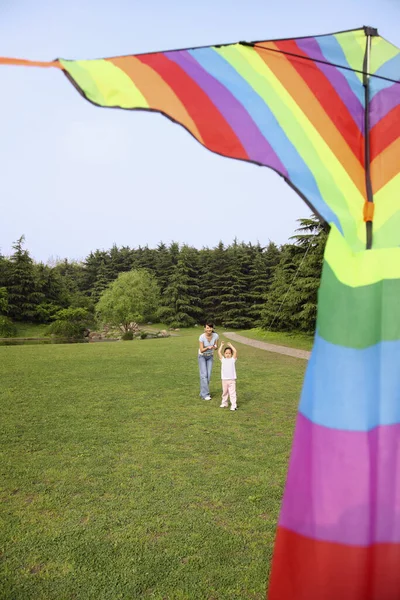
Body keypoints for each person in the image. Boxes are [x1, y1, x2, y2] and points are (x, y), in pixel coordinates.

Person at [198, 322, 219, 400]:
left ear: (212, 328)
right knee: (204, 375)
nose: (209, 329)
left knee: (208, 376)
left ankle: (202, 393)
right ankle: (206, 394)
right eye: (207, 328)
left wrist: (214, 346)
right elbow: (201, 349)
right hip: (202, 356)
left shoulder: (216, 336)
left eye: (210, 328)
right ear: (204, 329)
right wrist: (208, 347)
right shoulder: (201, 337)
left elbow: (216, 347)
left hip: (210, 356)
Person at [218, 341, 238, 411]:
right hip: (224, 379)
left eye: (229, 353)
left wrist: (230, 345)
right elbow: (219, 352)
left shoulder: (233, 360)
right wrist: (221, 345)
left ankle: (234, 405)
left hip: (232, 379)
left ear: (231, 354)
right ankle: (224, 403)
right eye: (226, 353)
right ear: (224, 354)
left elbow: (235, 351)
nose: (228, 354)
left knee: (232, 393)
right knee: (225, 392)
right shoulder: (223, 360)